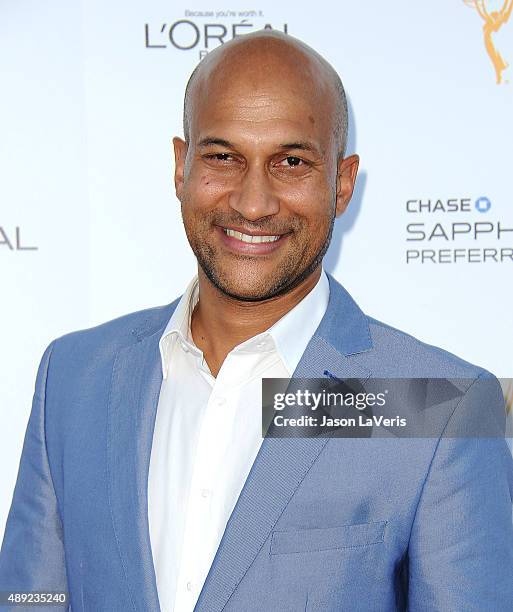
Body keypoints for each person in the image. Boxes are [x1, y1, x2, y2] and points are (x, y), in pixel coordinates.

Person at [1, 30, 512, 612]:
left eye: (291, 162)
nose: (252, 202)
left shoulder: (434, 405)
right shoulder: (74, 376)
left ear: (341, 184)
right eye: (223, 157)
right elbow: (30, 598)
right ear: (180, 167)